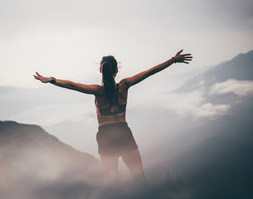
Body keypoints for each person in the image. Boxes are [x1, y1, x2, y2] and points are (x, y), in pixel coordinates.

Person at [33, 49, 192, 184]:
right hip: (123, 133)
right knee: (140, 179)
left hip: (105, 136)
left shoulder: (97, 91)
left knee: (112, 184)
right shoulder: (124, 85)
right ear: (117, 70)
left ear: (101, 70)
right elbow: (150, 72)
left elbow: (73, 85)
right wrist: (173, 60)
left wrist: (50, 80)